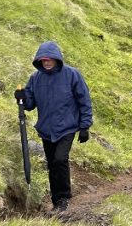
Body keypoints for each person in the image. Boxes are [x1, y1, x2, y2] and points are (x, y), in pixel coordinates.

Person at [14, 41, 93, 213]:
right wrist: (22, 98)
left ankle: (64, 198)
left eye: (50, 59)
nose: (47, 62)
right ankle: (57, 201)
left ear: (56, 59)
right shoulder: (36, 79)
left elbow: (84, 101)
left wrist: (85, 126)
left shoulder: (72, 75)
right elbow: (29, 104)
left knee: (59, 159)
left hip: (67, 127)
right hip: (46, 129)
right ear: (39, 61)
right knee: (52, 163)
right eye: (43, 60)